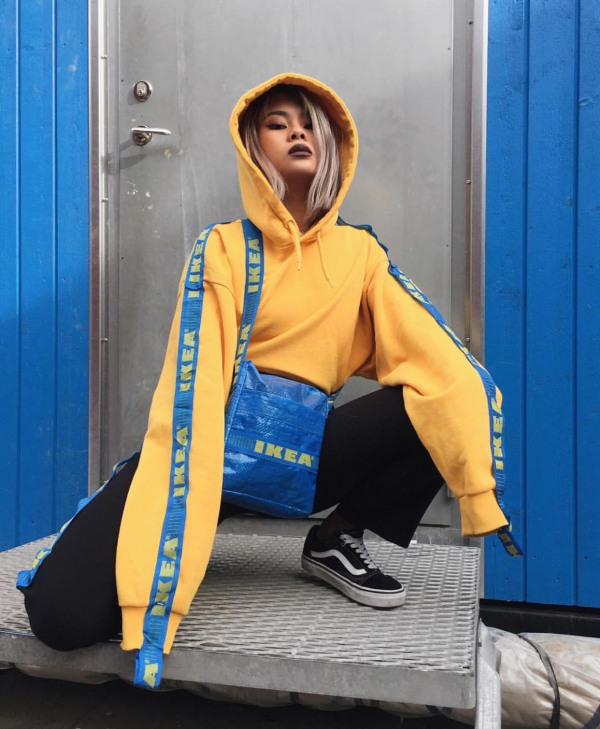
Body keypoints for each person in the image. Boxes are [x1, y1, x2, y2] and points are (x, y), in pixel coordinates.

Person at [18, 73, 514, 688]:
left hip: (304, 456)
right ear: (253, 148)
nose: (298, 133)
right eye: (278, 124)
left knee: (444, 396)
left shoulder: (361, 254)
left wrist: (479, 491)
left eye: (310, 125)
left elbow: (437, 357)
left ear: (332, 146)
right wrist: (165, 564)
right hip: (213, 455)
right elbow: (194, 385)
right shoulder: (222, 247)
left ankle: (335, 538)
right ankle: (174, 544)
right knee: (59, 616)